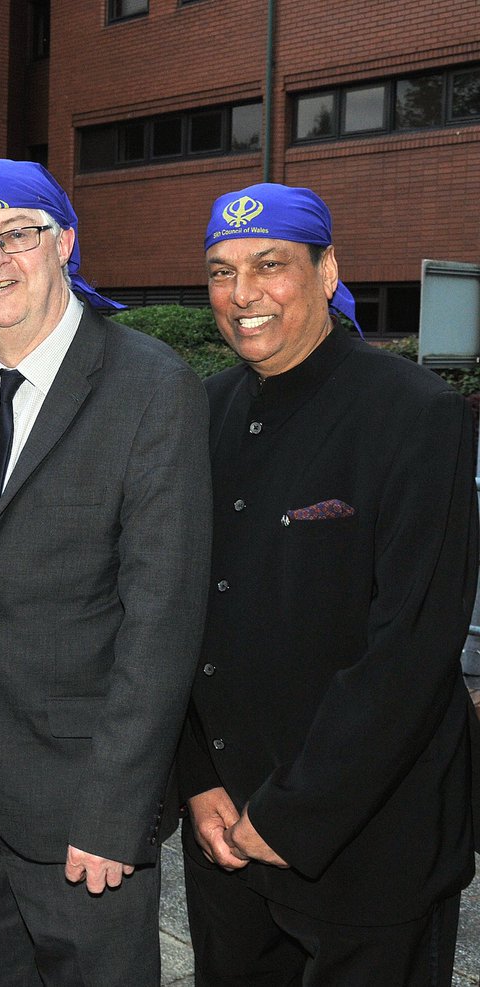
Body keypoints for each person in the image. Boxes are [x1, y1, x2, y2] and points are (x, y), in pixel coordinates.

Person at [179, 182, 478, 985]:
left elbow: (412, 647)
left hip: (372, 840)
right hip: (224, 833)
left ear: (326, 268)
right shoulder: (198, 414)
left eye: (269, 264)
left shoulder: (416, 415)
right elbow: (172, 610)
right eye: (220, 270)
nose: (242, 294)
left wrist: (290, 814)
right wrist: (197, 778)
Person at [0, 158, 212, 985]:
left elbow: (162, 618)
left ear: (65, 244)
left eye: (19, 234)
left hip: (85, 805)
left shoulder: (154, 386)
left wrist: (115, 813)